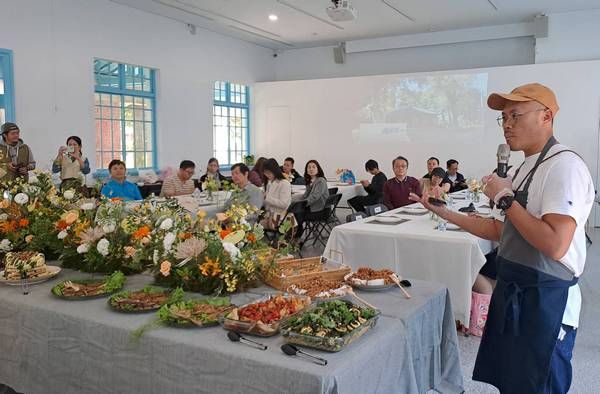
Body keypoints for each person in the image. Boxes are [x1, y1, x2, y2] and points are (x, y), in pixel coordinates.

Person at [411, 83, 594, 394]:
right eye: (504, 118)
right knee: (514, 383)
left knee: (541, 383)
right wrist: (443, 213)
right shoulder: (524, 168)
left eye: (515, 115)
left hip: (545, 299)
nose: (507, 125)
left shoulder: (565, 166)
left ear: (546, 116)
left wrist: (506, 197)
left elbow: (555, 243)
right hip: (516, 292)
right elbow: (498, 231)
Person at [261, 158, 292, 229]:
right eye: (265, 173)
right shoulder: (269, 183)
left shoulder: (284, 183)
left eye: (268, 172)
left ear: (274, 170)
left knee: (256, 227)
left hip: (280, 217)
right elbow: (267, 203)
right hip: (269, 214)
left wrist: (266, 198)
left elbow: (284, 204)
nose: (267, 175)